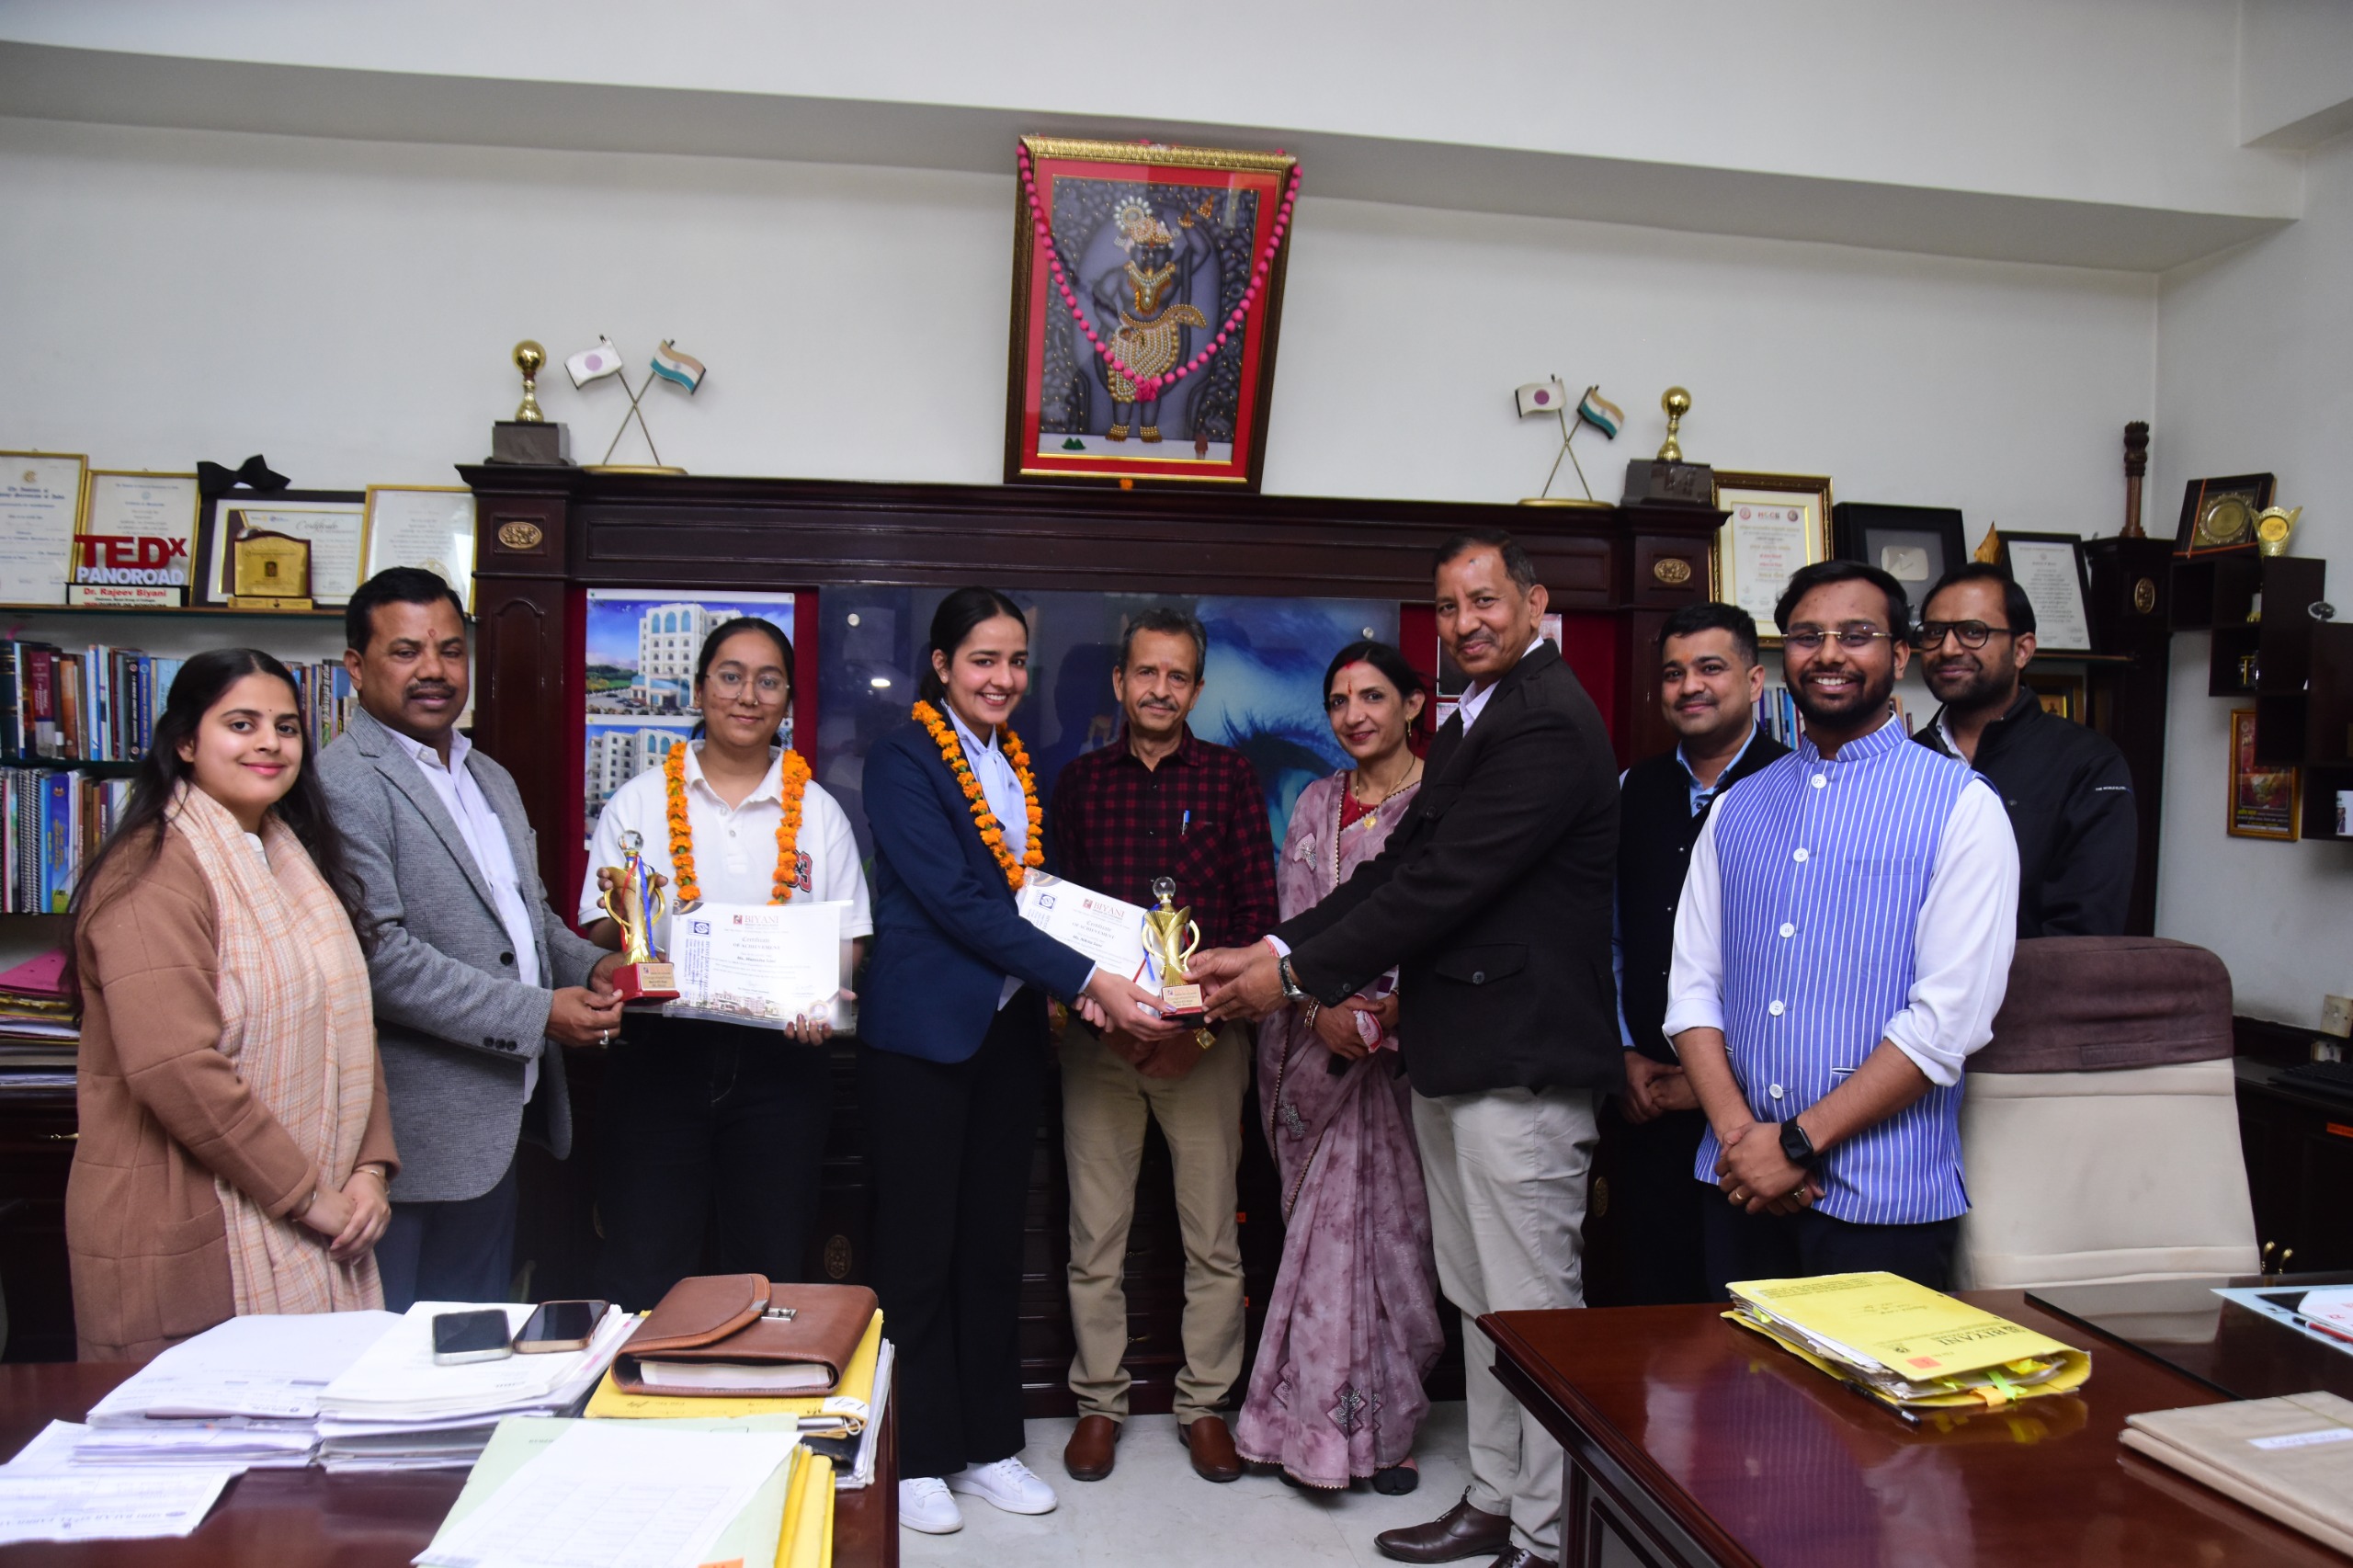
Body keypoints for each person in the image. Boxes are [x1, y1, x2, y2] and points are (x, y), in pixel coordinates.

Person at [1194, 528, 1621, 1568]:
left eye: (1486, 600)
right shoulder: (1483, 719)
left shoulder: (1547, 719)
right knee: (1480, 1302)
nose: (1466, 622)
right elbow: (1393, 871)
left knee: (1532, 1313)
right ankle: (1494, 1495)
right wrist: (1274, 947)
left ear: (1533, 603)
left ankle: (1547, 1534)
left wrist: (1291, 979)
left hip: (1520, 1065)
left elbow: (1440, 886)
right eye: (1449, 606)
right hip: (1460, 1060)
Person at [858, 587, 1181, 1537]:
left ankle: (990, 1442)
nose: (1001, 678)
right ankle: (918, 1453)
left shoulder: (1014, 763)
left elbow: (1031, 896)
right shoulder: (902, 759)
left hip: (1004, 1034)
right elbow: (959, 901)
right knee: (918, 1253)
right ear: (941, 665)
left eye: (1013, 661)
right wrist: (1089, 975)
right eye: (982, 660)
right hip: (921, 1036)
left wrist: (1097, 975)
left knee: (991, 1245)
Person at [1666, 561, 2020, 1297]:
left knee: (1867, 1382)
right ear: (1783, 657)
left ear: (1900, 655)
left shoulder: (1962, 807)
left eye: (1857, 635)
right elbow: (1693, 992)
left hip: (1884, 1201)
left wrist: (1795, 1144)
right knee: (1729, 1375)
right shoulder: (1735, 807)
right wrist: (1744, 1142)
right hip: (1737, 1187)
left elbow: (1946, 1023)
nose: (1829, 653)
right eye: (1807, 636)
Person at [68, 648, 396, 1360]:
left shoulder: (289, 857)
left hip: (321, 1211)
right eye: (241, 724)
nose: (269, 743)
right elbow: (176, 1068)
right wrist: (309, 1197)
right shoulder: (150, 870)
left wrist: (368, 1172)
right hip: (186, 1221)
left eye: (286, 727)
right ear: (187, 742)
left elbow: (346, 1024)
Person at [321, 568, 622, 1310]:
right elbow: (381, 960)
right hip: (404, 1147)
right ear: (356, 665)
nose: (434, 670)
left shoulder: (488, 774)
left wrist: (602, 966)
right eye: (406, 651)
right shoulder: (340, 782)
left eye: (451, 650)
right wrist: (539, 1014)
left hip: (497, 1128)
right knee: (392, 1356)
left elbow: (530, 920)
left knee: (472, 1348)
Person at [576, 616, 870, 1309]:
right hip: (660, 1057)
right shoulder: (640, 800)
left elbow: (849, 939)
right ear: (700, 688)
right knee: (645, 1266)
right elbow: (600, 927)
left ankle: (755, 1383)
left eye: (769, 681)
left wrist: (822, 993)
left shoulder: (819, 813)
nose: (748, 696)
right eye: (731, 677)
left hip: (782, 1066)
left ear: (787, 700)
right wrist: (631, 930)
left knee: (767, 1269)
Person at [1050, 608, 1279, 1487]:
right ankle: (1099, 1404)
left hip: (1206, 1049)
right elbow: (1058, 925)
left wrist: (1200, 1032)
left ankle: (1205, 1405)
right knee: (1094, 1241)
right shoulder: (1080, 784)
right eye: (1146, 673)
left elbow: (1257, 920)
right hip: (1101, 1047)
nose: (1160, 689)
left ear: (1197, 688)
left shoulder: (1229, 779)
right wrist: (1112, 1025)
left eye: (1177, 676)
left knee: (1212, 1240)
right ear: (1120, 682)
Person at [1233, 639, 1444, 1494]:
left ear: (1413, 704)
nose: (1354, 715)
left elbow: (1447, 925)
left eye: (1372, 696)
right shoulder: (1317, 802)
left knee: (1392, 1246)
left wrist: (1393, 1013)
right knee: (1318, 1247)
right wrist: (1319, 1010)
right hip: (1309, 1044)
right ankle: (1301, 1430)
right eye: (1339, 701)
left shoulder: (1441, 801)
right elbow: (1292, 927)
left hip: (1401, 1063)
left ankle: (1387, 1432)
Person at [1605, 602, 1787, 1307]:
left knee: (1747, 1309)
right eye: (1674, 673)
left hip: (1758, 1113)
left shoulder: (1793, 788)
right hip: (1645, 1103)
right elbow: (1612, 937)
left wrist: (1709, 1083)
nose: (1690, 687)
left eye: (1710, 668)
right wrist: (1624, 1053)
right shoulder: (1631, 789)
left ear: (1755, 681)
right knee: (1654, 1305)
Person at [1913, 562, 2137, 937]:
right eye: (1935, 632)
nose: (1948, 648)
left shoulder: (2088, 764)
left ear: (2022, 650)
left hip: (2034, 974)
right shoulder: (1905, 760)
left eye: (1973, 632)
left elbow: (2085, 930)